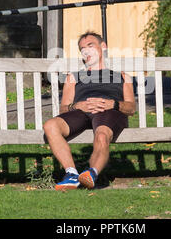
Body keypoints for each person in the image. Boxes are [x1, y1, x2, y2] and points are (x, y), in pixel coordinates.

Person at [43, 31, 136, 190]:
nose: (86, 51)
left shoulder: (122, 76)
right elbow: (64, 108)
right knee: (50, 126)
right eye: (82, 49)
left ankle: (91, 173)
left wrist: (112, 104)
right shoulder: (73, 77)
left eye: (90, 46)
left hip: (109, 112)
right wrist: (77, 106)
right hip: (81, 113)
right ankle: (71, 174)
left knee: (101, 135)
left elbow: (131, 108)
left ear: (103, 47)